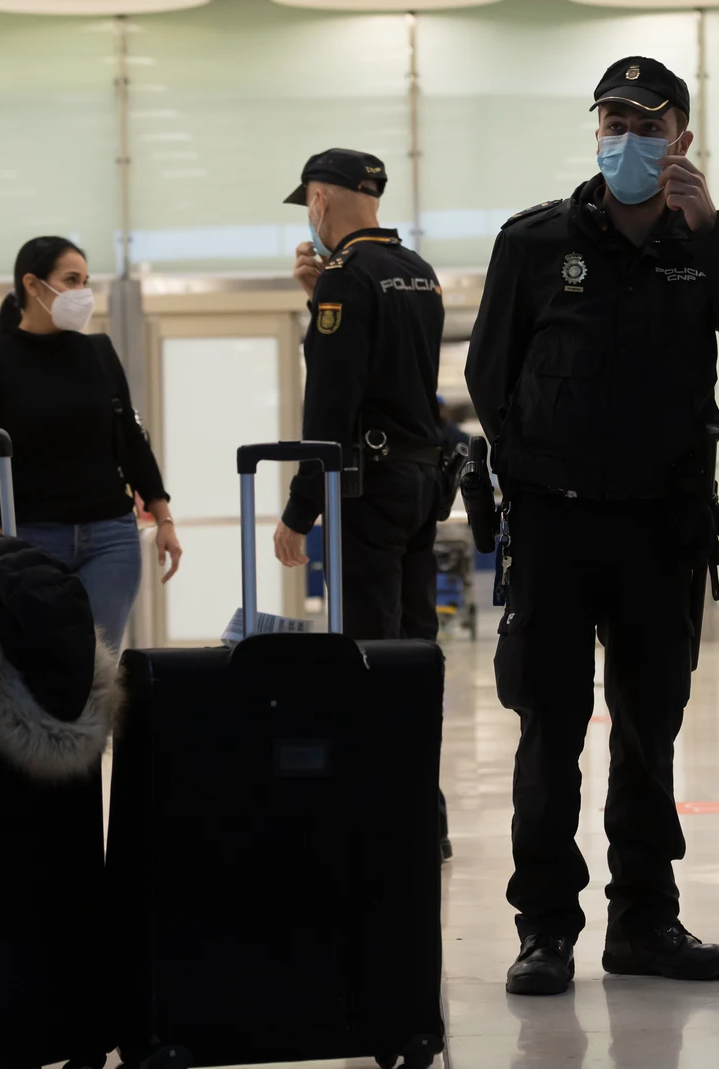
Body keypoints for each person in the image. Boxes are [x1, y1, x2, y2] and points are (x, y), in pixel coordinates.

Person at [466, 56, 719, 996]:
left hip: (663, 529)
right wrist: (539, 469)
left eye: (647, 124)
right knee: (550, 728)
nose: (626, 138)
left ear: (681, 142)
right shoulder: (534, 242)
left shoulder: (703, 245)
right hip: (557, 529)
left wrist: (715, 230)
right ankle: (545, 928)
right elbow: (491, 377)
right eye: (612, 120)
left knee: (651, 729)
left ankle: (645, 921)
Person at [268, 149, 452, 858]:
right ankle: (422, 808)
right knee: (414, 649)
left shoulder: (349, 277)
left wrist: (299, 508)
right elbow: (394, 372)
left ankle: (382, 813)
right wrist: (323, 303)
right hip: (418, 484)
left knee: (367, 654)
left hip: (368, 490)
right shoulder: (418, 271)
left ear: (320, 200)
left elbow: (334, 405)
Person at [0, 236, 182, 653]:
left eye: (86, 280)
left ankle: (102, 724)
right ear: (32, 284)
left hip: (111, 536)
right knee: (45, 662)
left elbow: (131, 439)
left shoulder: (97, 353)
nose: (83, 291)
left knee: (99, 664)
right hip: (31, 538)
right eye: (71, 279)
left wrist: (163, 517)